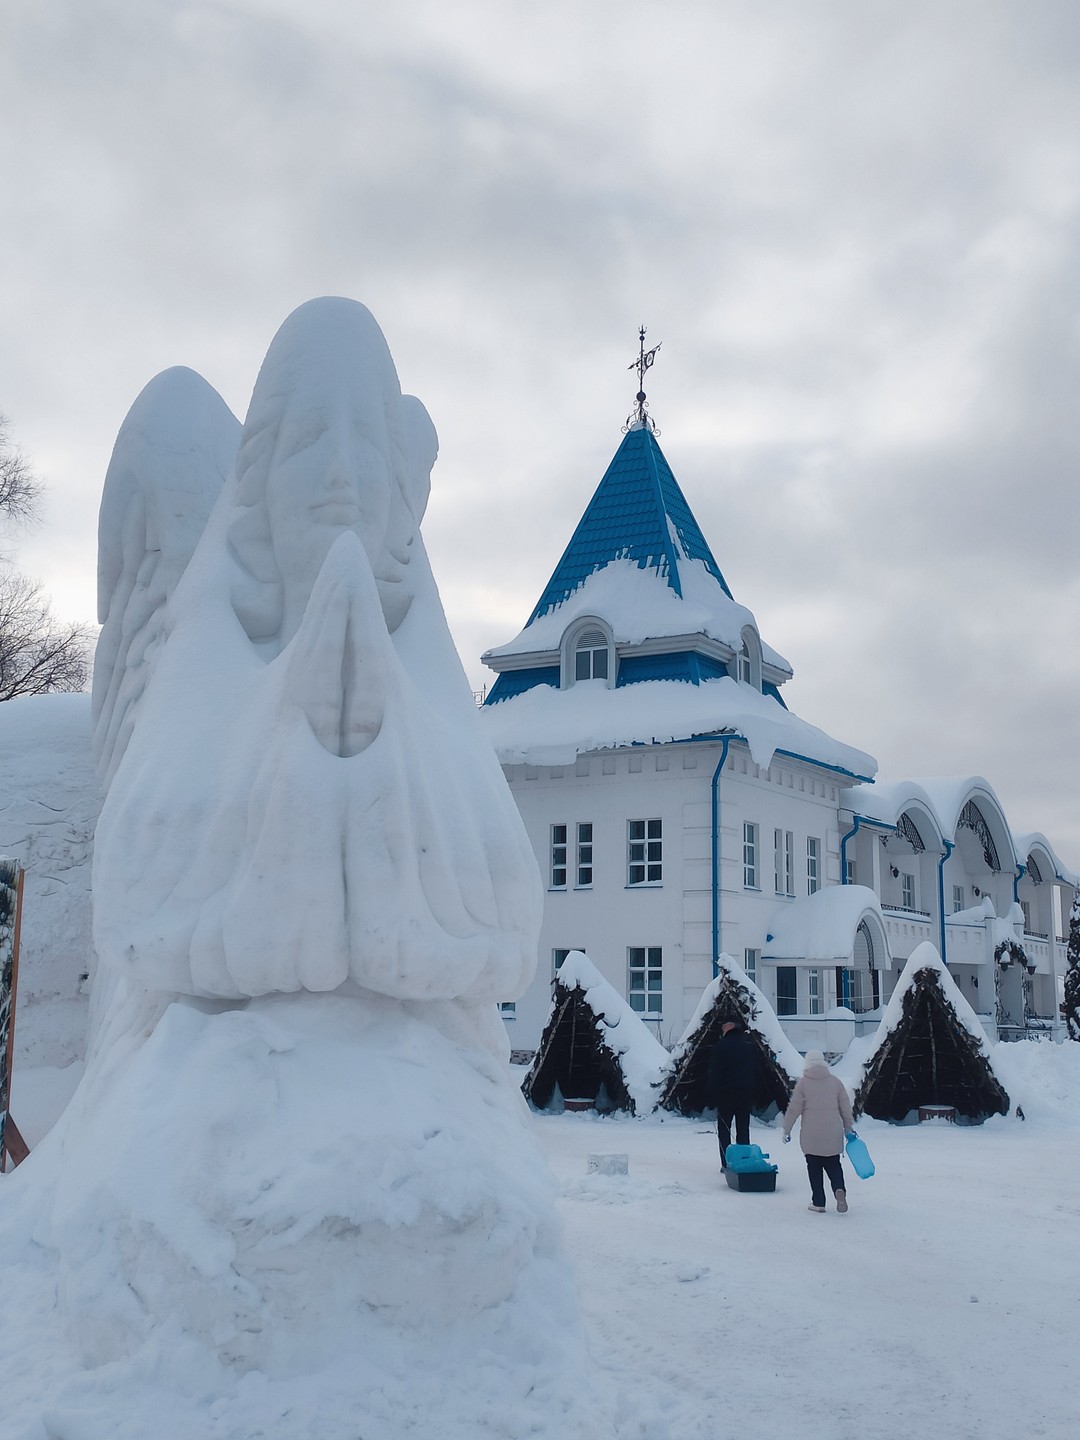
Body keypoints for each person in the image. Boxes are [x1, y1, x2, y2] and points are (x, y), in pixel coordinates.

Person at [782, 1050, 855, 1214]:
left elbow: (793, 1110)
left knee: (814, 1168)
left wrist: (787, 1129)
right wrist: (848, 1127)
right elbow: (845, 1108)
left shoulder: (803, 1084)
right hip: (833, 1134)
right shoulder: (835, 1082)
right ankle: (839, 1188)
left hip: (811, 1135)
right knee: (834, 1165)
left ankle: (818, 1202)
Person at [708, 1018, 767, 1168]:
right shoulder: (749, 1046)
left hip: (726, 1094)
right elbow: (757, 1070)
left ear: (730, 1026)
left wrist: (711, 1094)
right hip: (745, 1094)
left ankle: (726, 1163)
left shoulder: (721, 1046)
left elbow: (716, 1071)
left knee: (724, 1129)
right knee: (743, 1128)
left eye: (723, 1025)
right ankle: (744, 1161)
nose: (722, 1028)